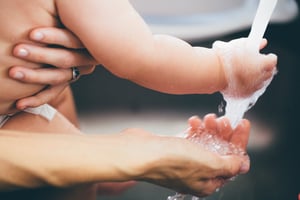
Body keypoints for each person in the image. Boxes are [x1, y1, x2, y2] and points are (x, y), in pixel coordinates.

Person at [0, 0, 277, 199]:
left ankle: (94, 170)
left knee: (54, 99)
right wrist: (224, 70)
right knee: (63, 171)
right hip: (13, 123)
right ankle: (86, 178)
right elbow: (145, 57)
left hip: (14, 111)